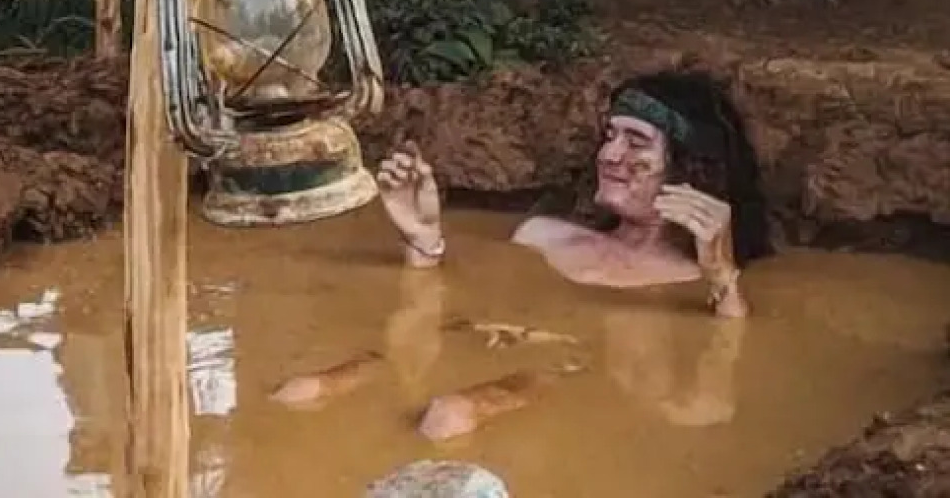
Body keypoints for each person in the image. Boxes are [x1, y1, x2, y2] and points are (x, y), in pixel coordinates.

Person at [278, 70, 771, 440]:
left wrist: (722, 277)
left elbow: (716, 389)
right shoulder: (542, 236)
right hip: (462, 350)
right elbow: (439, 316)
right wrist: (423, 242)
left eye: (635, 141)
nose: (609, 155)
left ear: (688, 170)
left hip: (561, 383)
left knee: (450, 416)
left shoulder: (697, 284)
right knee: (302, 390)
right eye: (609, 136)